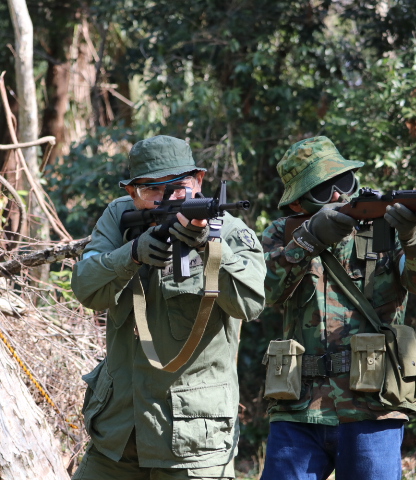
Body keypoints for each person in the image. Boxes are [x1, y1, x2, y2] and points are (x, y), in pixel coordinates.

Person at [71, 135, 266, 479]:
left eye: (179, 186)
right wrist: (131, 254)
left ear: (199, 181)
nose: (168, 197)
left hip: (194, 440)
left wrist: (209, 248)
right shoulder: (120, 216)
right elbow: (87, 289)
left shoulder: (228, 231)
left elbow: (251, 303)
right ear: (132, 192)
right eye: (153, 189)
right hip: (120, 429)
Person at [260, 136, 416, 480]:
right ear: (298, 203)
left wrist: (415, 240)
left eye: (343, 182)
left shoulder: (387, 228)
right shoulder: (283, 234)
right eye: (322, 189)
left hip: (373, 405)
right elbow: (264, 293)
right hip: (297, 407)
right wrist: (309, 240)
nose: (337, 196)